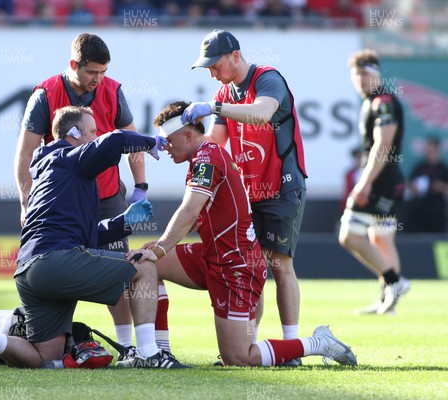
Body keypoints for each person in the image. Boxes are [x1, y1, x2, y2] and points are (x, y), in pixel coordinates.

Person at [124, 101, 356, 367]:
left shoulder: (206, 157)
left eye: (168, 140)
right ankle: (155, 353)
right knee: (145, 263)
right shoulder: (203, 155)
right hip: (218, 256)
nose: (163, 147)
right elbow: (193, 217)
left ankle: (318, 343)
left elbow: (189, 211)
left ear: (188, 135)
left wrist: (160, 248)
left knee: (237, 358)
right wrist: (155, 249)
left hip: (236, 265)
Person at [0, 106, 189, 369]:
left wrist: (124, 222)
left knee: (46, 358)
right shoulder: (70, 159)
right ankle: (148, 353)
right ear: (74, 133)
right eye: (92, 131)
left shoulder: (51, 171)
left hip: (28, 271)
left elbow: (82, 235)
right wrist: (148, 143)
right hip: (56, 261)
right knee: (144, 267)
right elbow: (116, 139)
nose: (95, 136)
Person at [14, 33, 165, 352]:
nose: (98, 79)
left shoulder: (113, 90)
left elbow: (128, 138)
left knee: (120, 266)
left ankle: (126, 345)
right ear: (73, 65)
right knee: (130, 267)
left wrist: (140, 187)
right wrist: (26, 201)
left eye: (103, 72)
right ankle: (144, 351)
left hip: (106, 195)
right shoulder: (46, 93)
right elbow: (25, 151)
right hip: (66, 196)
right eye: (91, 72)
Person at [181, 29, 308, 365]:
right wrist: (177, 145)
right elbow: (214, 144)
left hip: (282, 186)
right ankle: (246, 345)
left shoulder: (268, 79)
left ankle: (292, 346)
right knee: (256, 269)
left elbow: (261, 114)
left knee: (281, 266)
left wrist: (213, 106)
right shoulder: (224, 92)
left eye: (214, 64)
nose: (210, 71)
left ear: (235, 56)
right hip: (248, 191)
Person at [338, 49, 410, 315]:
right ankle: (387, 302)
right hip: (387, 180)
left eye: (365, 74)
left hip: (382, 181)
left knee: (348, 236)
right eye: (356, 76)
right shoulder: (372, 101)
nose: (360, 81)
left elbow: (383, 144)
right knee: (382, 240)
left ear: (377, 74)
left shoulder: (383, 102)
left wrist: (364, 182)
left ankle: (395, 282)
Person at [405, 136, 448, 232]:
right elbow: (409, 184)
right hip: (419, 209)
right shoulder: (419, 166)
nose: (429, 152)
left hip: (437, 210)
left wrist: (440, 187)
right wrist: (414, 186)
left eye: (431, 149)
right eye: (427, 149)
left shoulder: (443, 168)